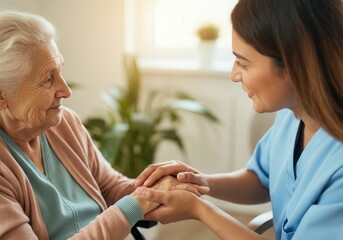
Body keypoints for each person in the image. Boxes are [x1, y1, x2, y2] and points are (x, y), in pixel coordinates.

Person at [134, 0, 343, 239]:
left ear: (296, 65)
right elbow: (261, 180)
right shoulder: (291, 115)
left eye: (243, 63)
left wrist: (198, 209)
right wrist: (200, 182)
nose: (234, 75)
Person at [0, 11, 207, 240]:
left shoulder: (65, 123)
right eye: (48, 79)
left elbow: (109, 187)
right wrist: (138, 202)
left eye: (60, 71)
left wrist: (160, 187)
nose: (66, 90)